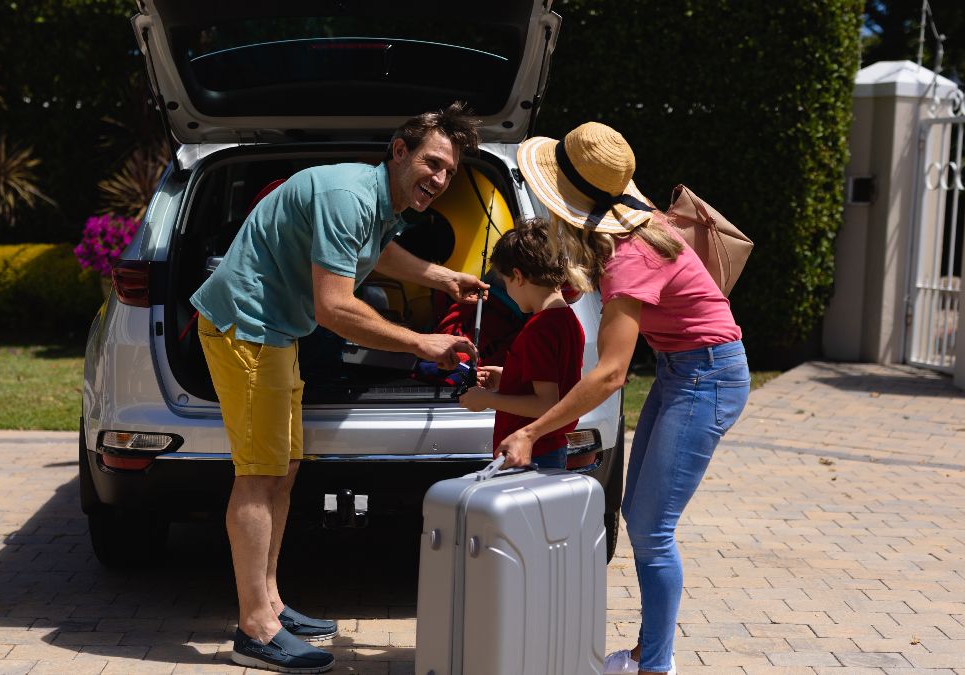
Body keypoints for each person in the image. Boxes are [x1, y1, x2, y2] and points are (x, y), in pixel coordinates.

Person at [191, 103, 486, 673]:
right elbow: (334, 308)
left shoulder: (378, 202)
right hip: (247, 327)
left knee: (286, 467)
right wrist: (422, 344)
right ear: (399, 151)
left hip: (276, 332)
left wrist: (442, 277)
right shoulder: (347, 197)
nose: (440, 179)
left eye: (449, 171)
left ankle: (271, 603)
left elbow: (373, 251)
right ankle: (254, 629)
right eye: (432, 163)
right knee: (258, 474)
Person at [500, 121, 751, 675]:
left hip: (708, 377)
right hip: (685, 371)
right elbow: (581, 293)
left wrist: (532, 429)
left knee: (652, 530)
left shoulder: (630, 256)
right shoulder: (627, 237)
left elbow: (612, 375)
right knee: (639, 517)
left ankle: (655, 666)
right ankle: (647, 653)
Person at [457, 220, 585, 470]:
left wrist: (487, 400)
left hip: (531, 452)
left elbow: (547, 404)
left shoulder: (539, 330)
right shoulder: (569, 320)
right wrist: (508, 377)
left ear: (518, 276)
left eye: (505, 282)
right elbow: (555, 381)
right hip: (551, 446)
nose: (507, 291)